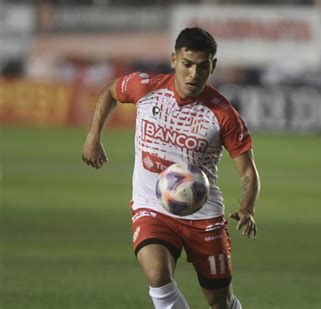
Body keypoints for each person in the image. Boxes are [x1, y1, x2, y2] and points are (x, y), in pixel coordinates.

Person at [82, 27, 260, 309]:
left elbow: (248, 171)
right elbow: (109, 91)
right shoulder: (146, 87)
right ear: (174, 60)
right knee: (157, 275)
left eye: (202, 67)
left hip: (204, 216)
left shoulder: (223, 114)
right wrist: (94, 136)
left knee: (220, 302)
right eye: (187, 64)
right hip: (152, 206)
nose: (193, 74)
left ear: (213, 66)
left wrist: (247, 207)